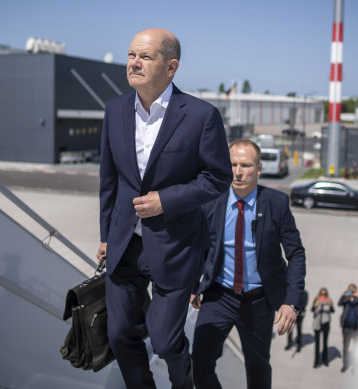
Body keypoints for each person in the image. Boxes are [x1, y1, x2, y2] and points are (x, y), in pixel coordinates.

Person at [97, 28, 232, 389]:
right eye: (130, 55)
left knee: (165, 340)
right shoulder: (114, 110)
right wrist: (105, 236)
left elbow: (218, 178)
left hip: (176, 244)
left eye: (145, 57)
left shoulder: (202, 116)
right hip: (125, 242)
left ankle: (183, 383)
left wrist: (166, 200)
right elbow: (109, 180)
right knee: (120, 332)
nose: (134, 63)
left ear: (171, 67)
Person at [190, 139, 306, 389]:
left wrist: (292, 302)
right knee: (199, 364)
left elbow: (296, 254)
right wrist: (192, 285)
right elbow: (198, 247)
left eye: (246, 165)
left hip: (258, 300)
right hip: (219, 296)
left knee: (258, 368)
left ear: (259, 169)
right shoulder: (211, 201)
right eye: (232, 164)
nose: (238, 172)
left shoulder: (276, 203)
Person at [338, 283, 358, 373]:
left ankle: (356, 366)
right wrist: (344, 295)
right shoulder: (346, 299)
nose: (351, 292)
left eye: (353, 290)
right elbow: (339, 303)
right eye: (350, 290)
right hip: (347, 328)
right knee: (346, 347)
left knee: (357, 348)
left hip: (356, 328)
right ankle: (345, 365)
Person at [312, 287, 334, 368]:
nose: (323, 295)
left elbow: (333, 311)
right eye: (321, 294)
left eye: (324, 294)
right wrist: (316, 304)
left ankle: (325, 360)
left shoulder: (329, 300)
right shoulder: (316, 299)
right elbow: (312, 310)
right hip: (317, 323)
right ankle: (316, 361)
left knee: (325, 343)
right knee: (317, 344)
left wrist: (330, 304)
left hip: (326, 323)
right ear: (319, 294)